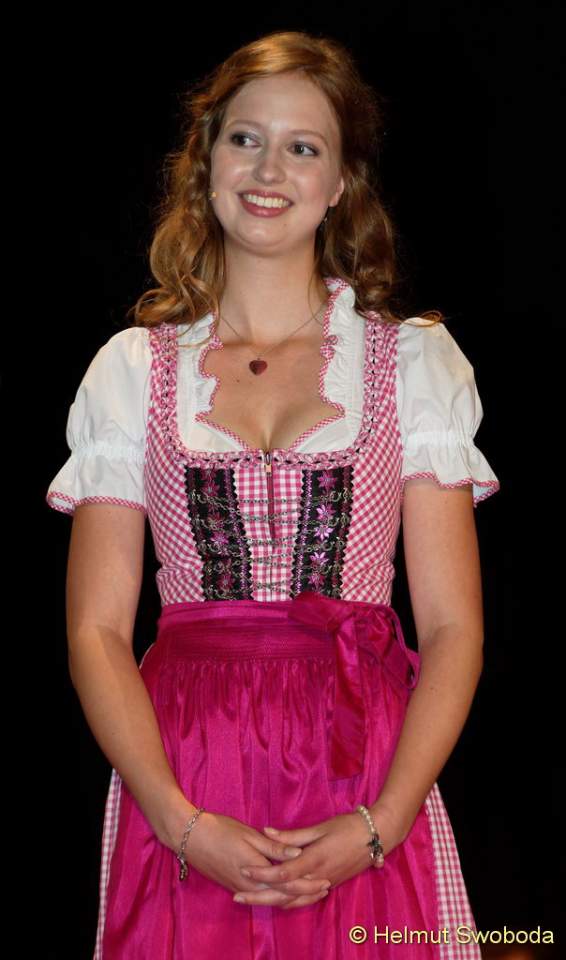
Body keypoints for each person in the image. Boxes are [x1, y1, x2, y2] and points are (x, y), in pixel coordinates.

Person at [46, 29, 500, 960]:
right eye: (246, 138)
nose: (268, 170)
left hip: (363, 769)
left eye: (303, 147)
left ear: (340, 183)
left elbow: (455, 627)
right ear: (206, 158)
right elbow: (95, 630)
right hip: (185, 770)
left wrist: (381, 822)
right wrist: (178, 820)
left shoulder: (409, 361)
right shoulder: (132, 370)